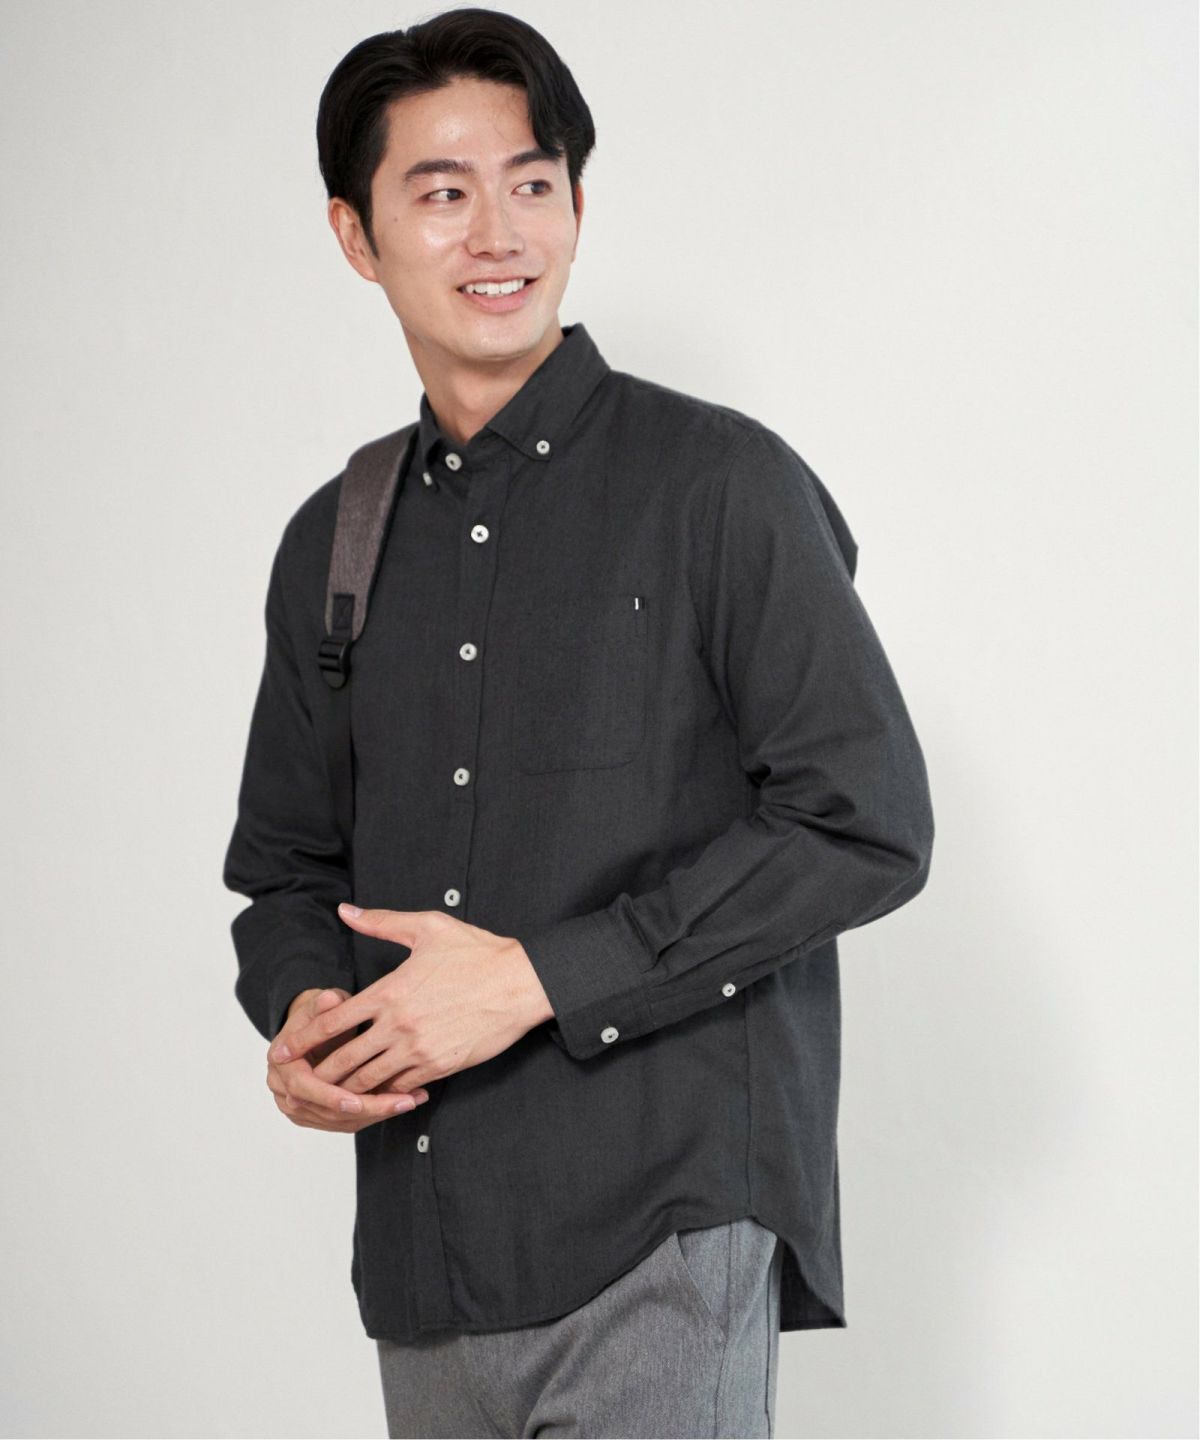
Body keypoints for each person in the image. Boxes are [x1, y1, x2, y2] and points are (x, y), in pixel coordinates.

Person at [222, 10, 935, 1437]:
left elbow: (863, 823)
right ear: (357, 236)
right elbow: (286, 871)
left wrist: (539, 979)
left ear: (577, 207)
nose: (499, 233)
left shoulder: (721, 485)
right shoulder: (334, 543)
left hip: (663, 1220)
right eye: (442, 192)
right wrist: (307, 1015)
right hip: (426, 1251)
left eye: (533, 183)